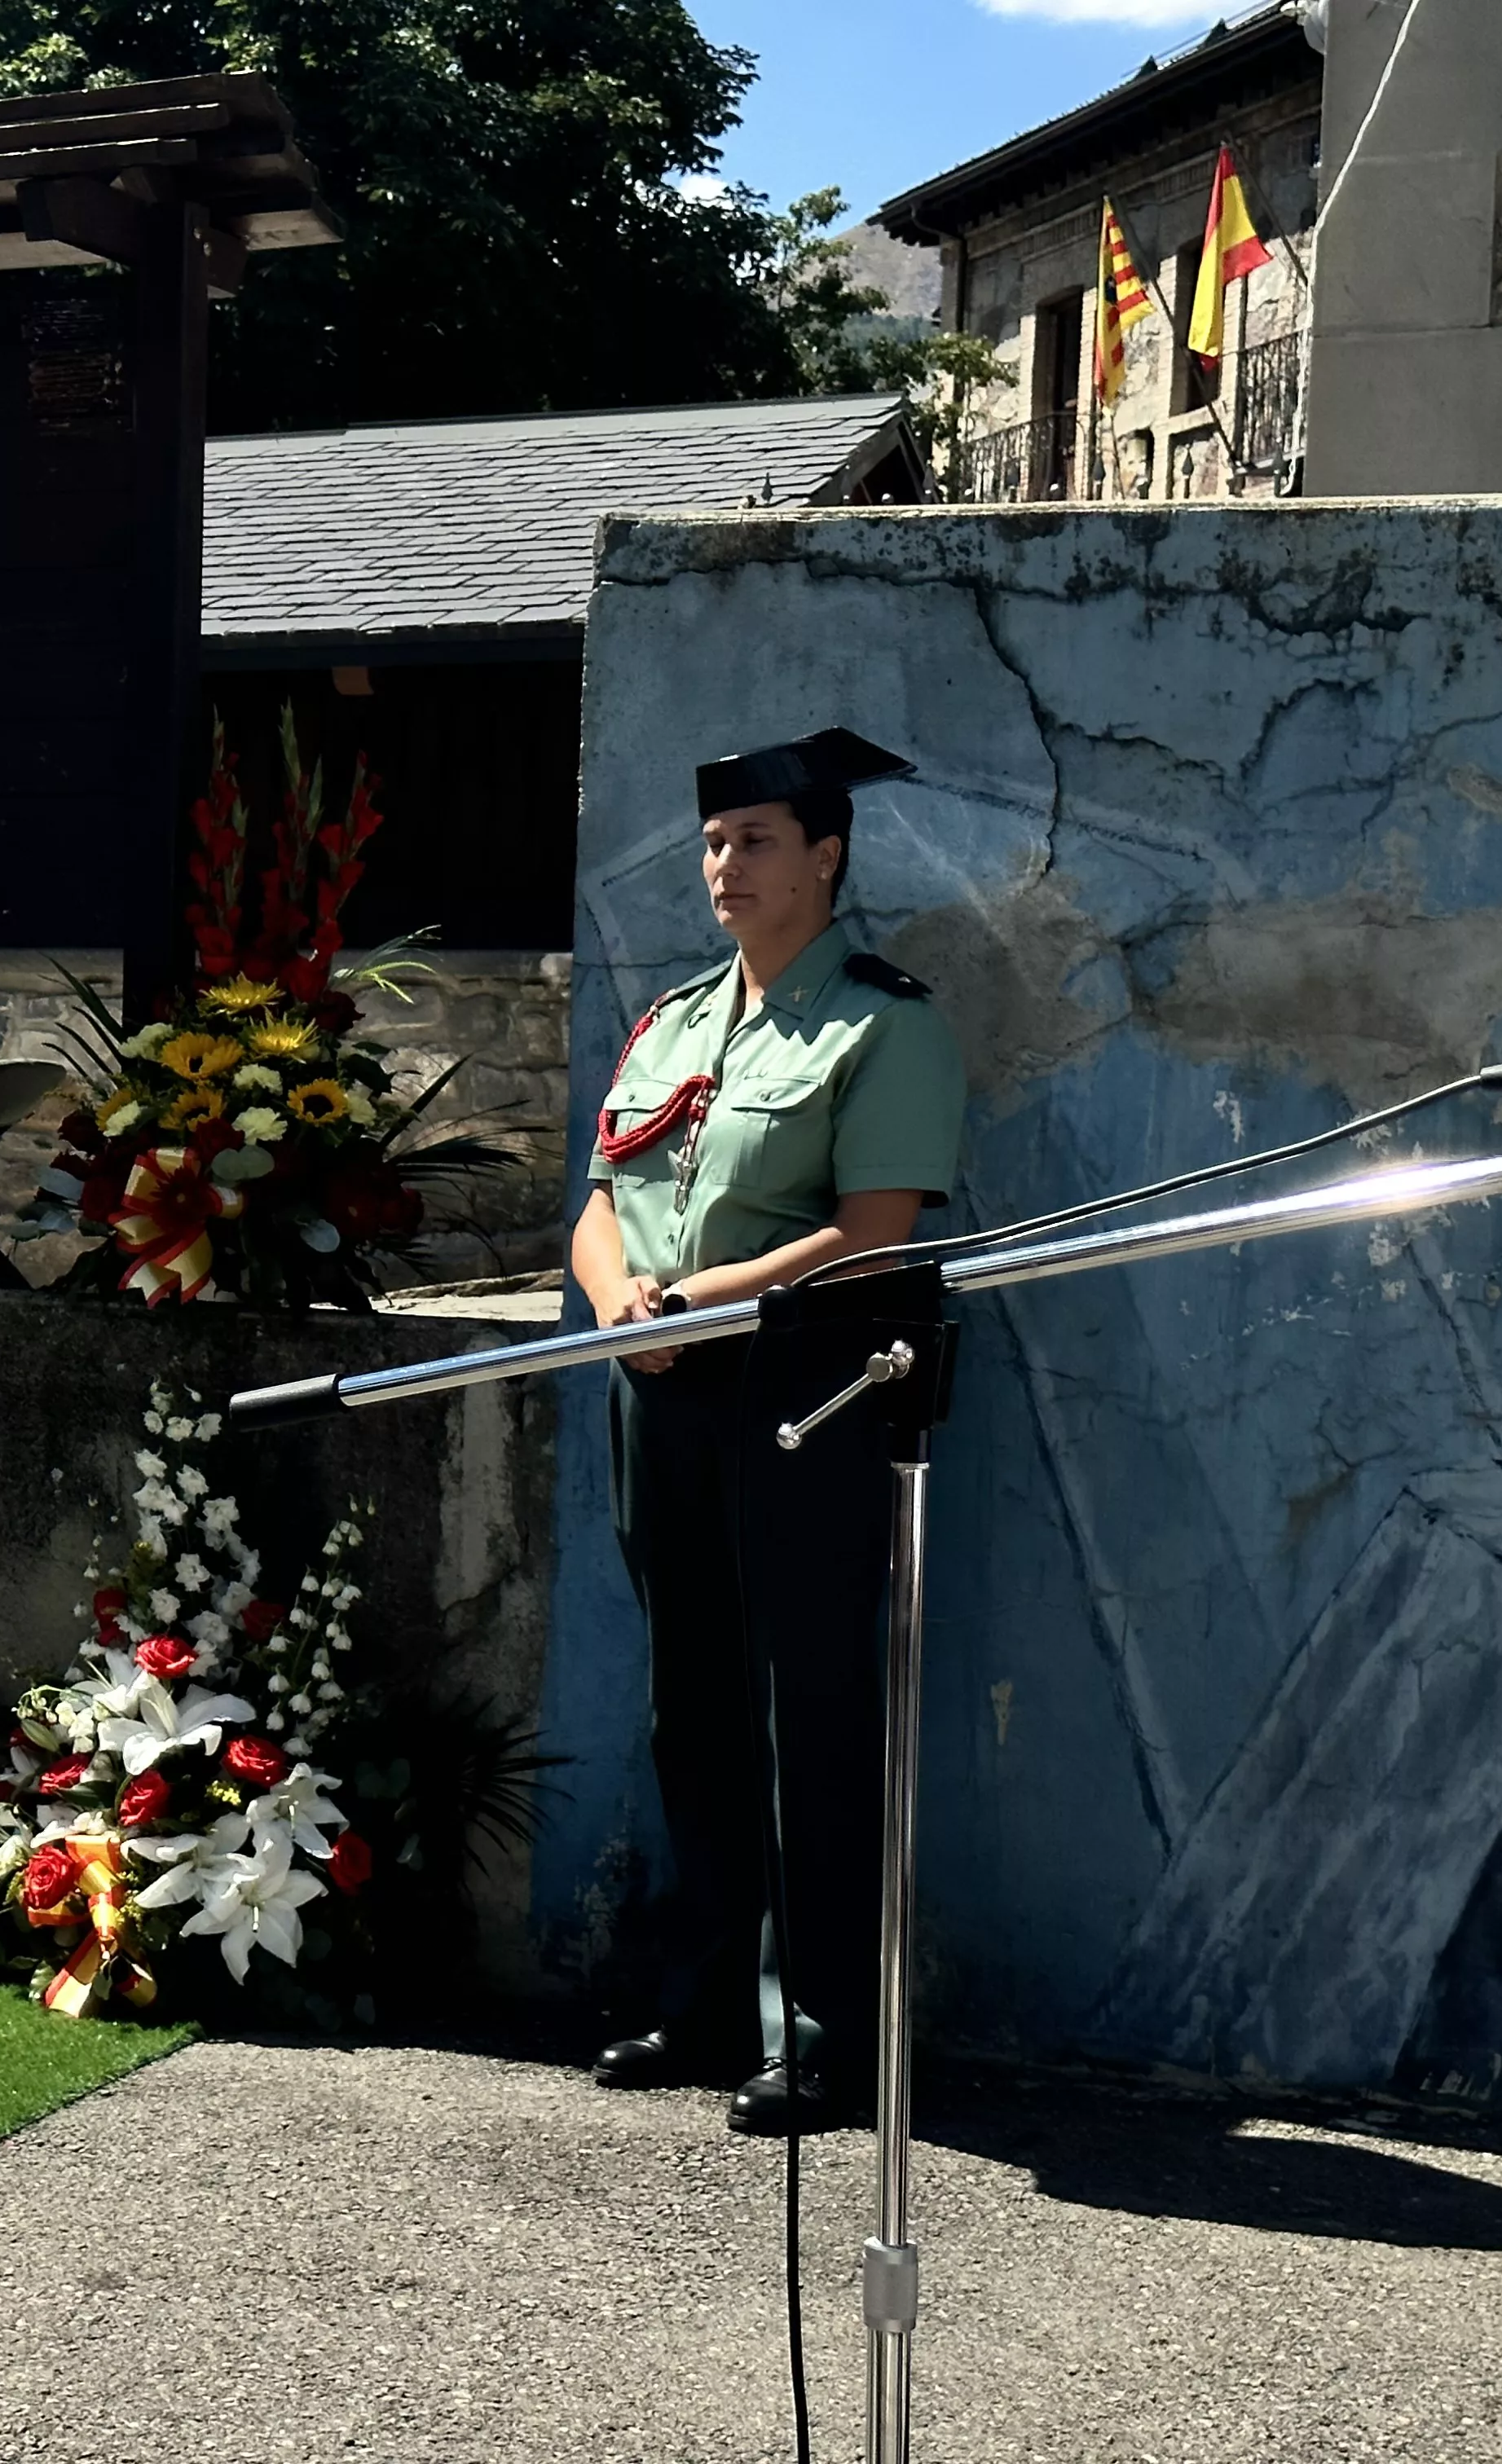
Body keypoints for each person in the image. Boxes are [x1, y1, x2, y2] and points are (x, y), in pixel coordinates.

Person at [570, 728, 964, 2140]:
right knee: (692, 1700)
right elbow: (601, 1198)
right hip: (657, 1385)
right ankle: (697, 2002)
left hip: (805, 1389)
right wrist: (625, 1301)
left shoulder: (882, 1021)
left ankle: (821, 2030)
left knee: (811, 1705)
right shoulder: (674, 1019)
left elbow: (873, 1234)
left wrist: (694, 1298)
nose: (723, 865)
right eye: (713, 841)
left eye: (753, 841)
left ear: (826, 857)